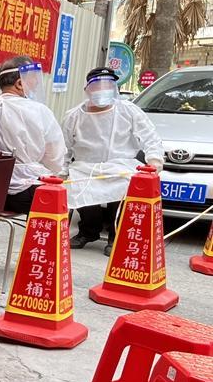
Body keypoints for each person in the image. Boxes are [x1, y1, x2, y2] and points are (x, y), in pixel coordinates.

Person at [0, 55, 65, 269]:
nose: (35, 85)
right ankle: (38, 260)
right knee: (54, 195)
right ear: (20, 83)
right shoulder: (38, 111)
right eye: (33, 80)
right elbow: (55, 158)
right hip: (21, 195)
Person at [62, 66, 164, 255]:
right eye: (97, 86)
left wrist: (154, 160)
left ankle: (115, 236)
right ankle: (88, 231)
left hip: (121, 165)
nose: (102, 90)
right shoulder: (74, 115)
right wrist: (61, 171)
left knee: (125, 186)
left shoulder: (129, 111)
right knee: (76, 186)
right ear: (87, 90)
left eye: (107, 86)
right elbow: (64, 147)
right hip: (85, 166)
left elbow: (150, 137)